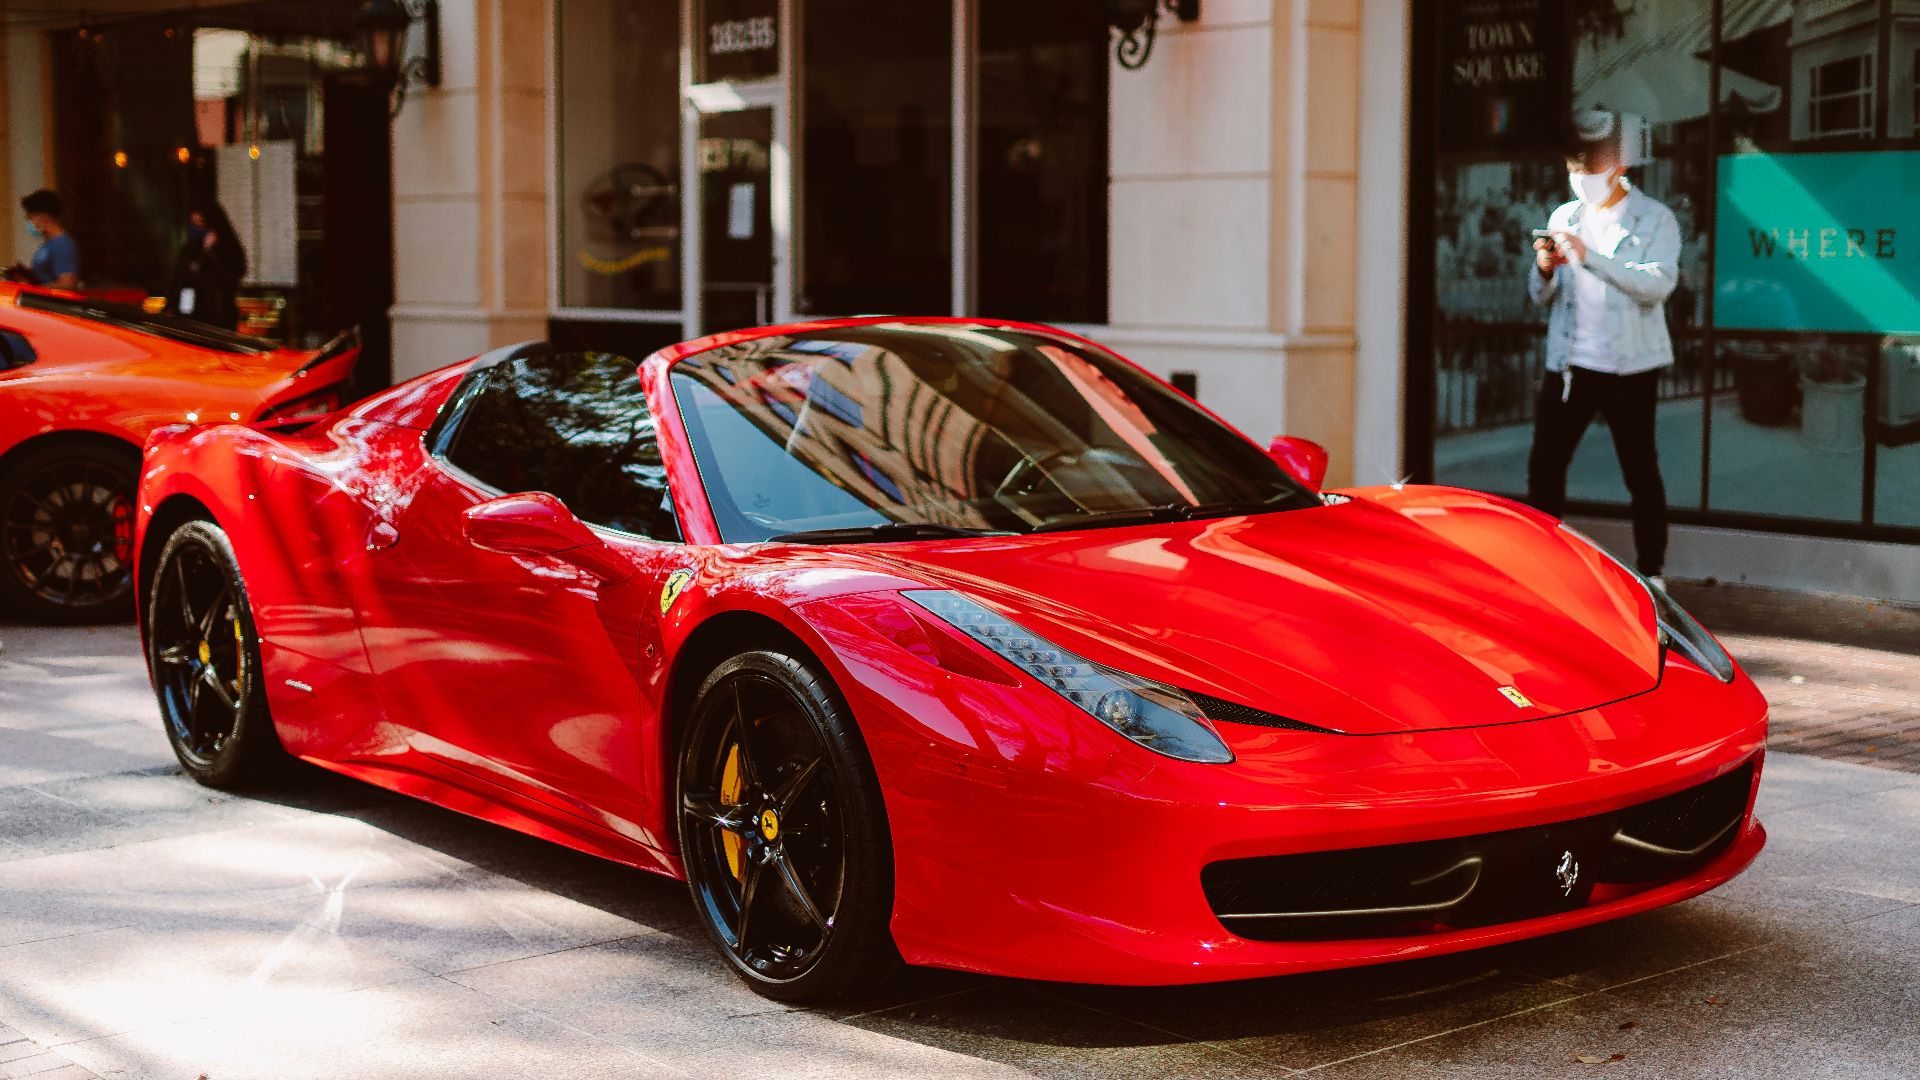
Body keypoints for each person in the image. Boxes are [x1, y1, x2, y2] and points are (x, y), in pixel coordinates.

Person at [1526, 110, 1680, 586]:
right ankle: (1542, 563)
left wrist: (1591, 258)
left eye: (1589, 171)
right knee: (1545, 465)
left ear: (1619, 169)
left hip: (1630, 367)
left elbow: (1657, 286)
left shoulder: (1655, 219)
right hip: (1570, 363)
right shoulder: (1563, 217)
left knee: (1640, 469)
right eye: (1574, 171)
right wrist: (1546, 269)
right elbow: (1539, 297)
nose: (1580, 181)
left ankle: (1652, 571)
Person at [165, 202, 247, 330]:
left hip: (218, 318)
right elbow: (179, 280)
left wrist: (211, 251)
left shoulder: (229, 249)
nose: (196, 229)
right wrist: (171, 307)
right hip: (190, 315)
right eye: (193, 224)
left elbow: (231, 278)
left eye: (201, 223)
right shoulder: (189, 249)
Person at [16, 189, 80, 289]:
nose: (29, 223)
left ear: (44, 217)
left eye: (31, 218)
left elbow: (67, 283)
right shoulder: (48, 244)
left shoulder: (63, 245)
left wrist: (38, 288)